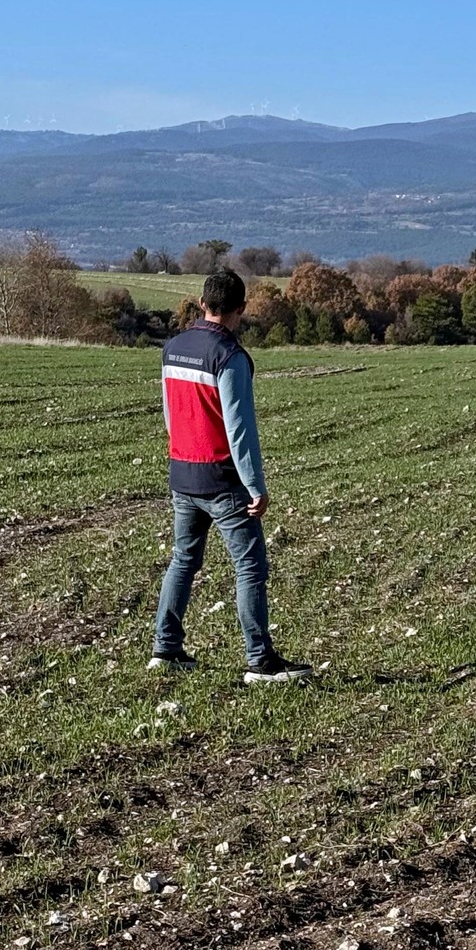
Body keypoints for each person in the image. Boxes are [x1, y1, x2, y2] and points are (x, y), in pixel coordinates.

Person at [150, 269, 309, 684]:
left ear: (203, 304)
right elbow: (239, 429)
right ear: (241, 309)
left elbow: (170, 415)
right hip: (222, 480)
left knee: (183, 561)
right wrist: (255, 485)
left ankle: (165, 649)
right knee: (250, 567)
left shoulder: (172, 349)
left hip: (182, 474)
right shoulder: (230, 356)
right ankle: (260, 661)